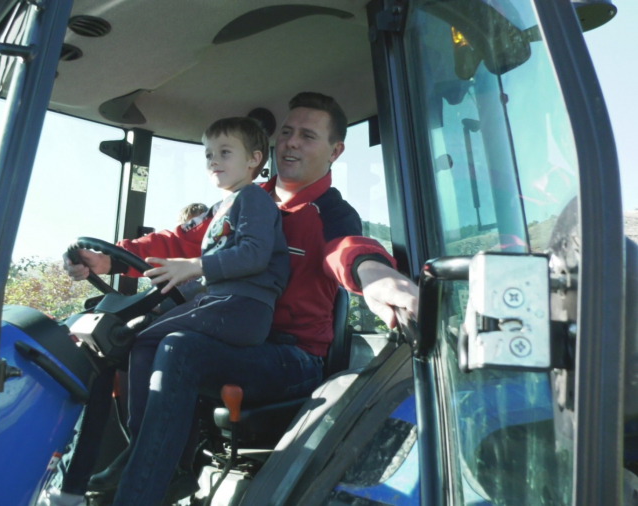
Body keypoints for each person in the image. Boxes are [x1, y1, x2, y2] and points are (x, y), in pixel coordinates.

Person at [61, 92, 419, 505]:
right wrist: (107, 259)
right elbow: (179, 239)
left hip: (291, 356)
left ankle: (144, 490)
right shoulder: (241, 200)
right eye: (286, 132)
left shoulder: (330, 213)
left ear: (335, 151)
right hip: (230, 334)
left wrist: (375, 276)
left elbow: (348, 250)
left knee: (180, 350)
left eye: (307, 136)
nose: (291, 143)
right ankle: (77, 480)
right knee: (108, 340)